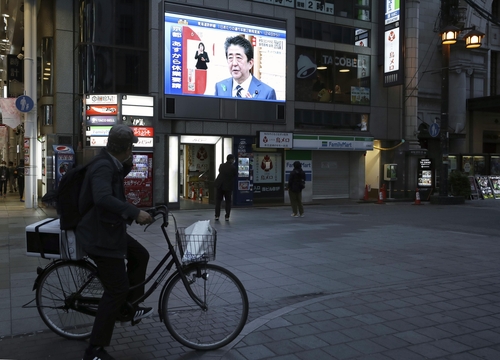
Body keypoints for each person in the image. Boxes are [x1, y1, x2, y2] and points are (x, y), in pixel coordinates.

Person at [77, 124, 154, 360]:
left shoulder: (112, 162)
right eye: (131, 146)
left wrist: (127, 160)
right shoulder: (103, 166)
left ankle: (129, 306)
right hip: (100, 236)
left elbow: (118, 176)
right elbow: (102, 198)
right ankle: (94, 350)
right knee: (116, 289)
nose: (133, 150)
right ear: (126, 147)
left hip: (110, 230)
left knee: (140, 255)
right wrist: (134, 212)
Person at [215, 36, 276, 100]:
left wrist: (252, 108)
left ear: (250, 63)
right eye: (230, 58)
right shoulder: (219, 87)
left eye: (239, 58)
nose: (234, 63)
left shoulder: (267, 93)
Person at [214, 154, 237, 221]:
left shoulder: (222, 166)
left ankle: (217, 216)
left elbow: (220, 171)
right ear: (231, 159)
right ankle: (227, 216)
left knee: (218, 201)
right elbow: (234, 175)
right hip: (228, 186)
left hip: (220, 185)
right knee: (228, 202)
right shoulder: (233, 168)